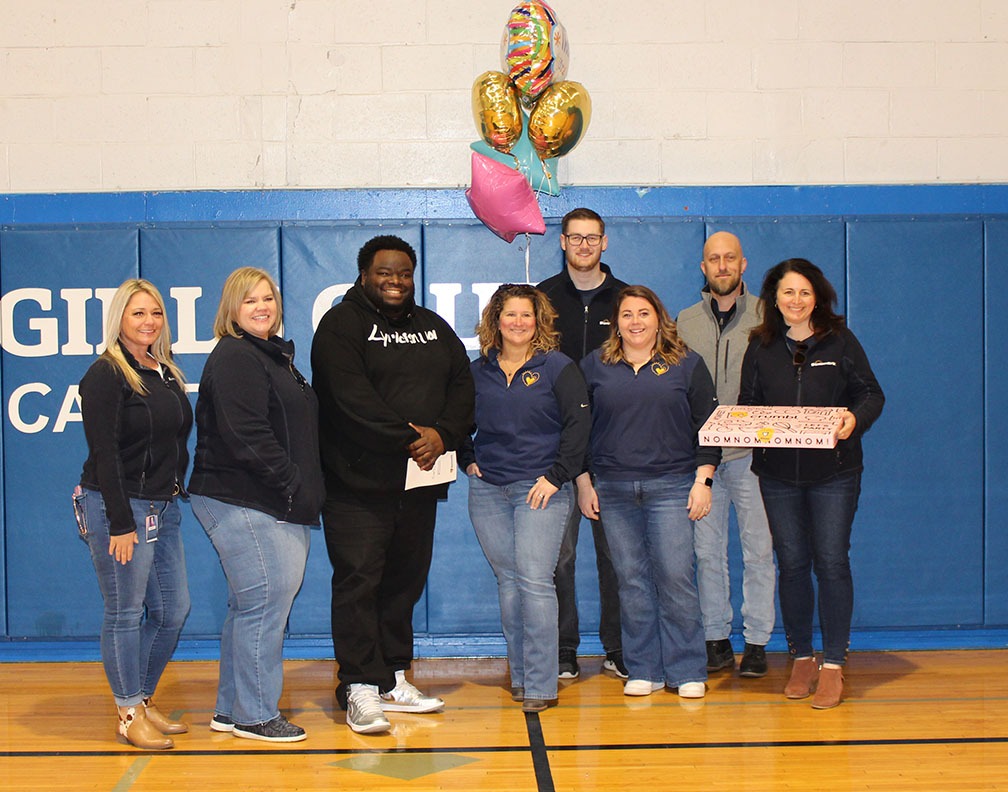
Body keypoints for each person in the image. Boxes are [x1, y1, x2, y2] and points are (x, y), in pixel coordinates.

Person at [311, 235, 475, 734]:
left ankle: (392, 677)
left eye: (404, 273)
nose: (395, 281)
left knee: (403, 580)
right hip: (355, 484)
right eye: (385, 272)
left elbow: (463, 386)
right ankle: (359, 685)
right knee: (360, 579)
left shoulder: (433, 328)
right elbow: (349, 400)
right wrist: (413, 438)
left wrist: (443, 434)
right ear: (364, 274)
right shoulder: (341, 326)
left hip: (419, 482)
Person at [740, 258, 884, 709]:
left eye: (804, 292)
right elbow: (748, 405)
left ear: (817, 297)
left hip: (835, 474)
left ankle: (835, 664)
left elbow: (871, 395)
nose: (796, 301)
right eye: (787, 293)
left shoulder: (840, 341)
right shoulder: (760, 346)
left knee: (832, 562)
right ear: (773, 299)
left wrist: (853, 419)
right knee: (793, 564)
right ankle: (802, 656)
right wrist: (745, 425)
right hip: (778, 475)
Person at [189, 267, 324, 742]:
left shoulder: (270, 355)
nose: (262, 306)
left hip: (266, 499)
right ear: (232, 309)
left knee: (250, 606)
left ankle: (232, 709)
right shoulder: (236, 356)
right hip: (246, 498)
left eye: (268, 298)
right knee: (264, 607)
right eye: (250, 301)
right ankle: (255, 714)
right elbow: (245, 434)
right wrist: (292, 483)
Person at [576, 285, 720, 699]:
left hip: (672, 486)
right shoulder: (594, 366)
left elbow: (709, 427)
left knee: (676, 578)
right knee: (632, 581)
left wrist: (703, 480)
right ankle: (645, 668)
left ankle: (687, 669)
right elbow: (578, 431)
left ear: (659, 318)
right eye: (627, 315)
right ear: (615, 323)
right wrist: (584, 482)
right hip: (614, 489)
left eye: (644, 313)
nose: (635, 321)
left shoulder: (687, 364)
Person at [460, 284, 590, 712]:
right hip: (489, 490)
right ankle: (520, 674)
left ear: (539, 322)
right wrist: (467, 456)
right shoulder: (477, 370)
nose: (518, 322)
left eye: (526, 315)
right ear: (495, 321)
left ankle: (540, 683)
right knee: (510, 582)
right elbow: (456, 417)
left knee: (535, 581)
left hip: (541, 489)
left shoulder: (558, 367)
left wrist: (556, 476)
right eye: (510, 315)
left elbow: (579, 427)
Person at [77, 279, 192, 750]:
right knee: (125, 612)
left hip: (161, 507)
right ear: (119, 319)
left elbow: (170, 440)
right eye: (137, 313)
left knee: (172, 611)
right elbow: (103, 451)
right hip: (117, 506)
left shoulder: (162, 369)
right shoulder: (106, 373)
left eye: (156, 313)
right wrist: (120, 522)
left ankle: (140, 699)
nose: (148, 321)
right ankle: (128, 712)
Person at [676, 231, 776, 678]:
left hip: (755, 457)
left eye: (729, 258)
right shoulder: (683, 321)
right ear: (703, 267)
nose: (721, 266)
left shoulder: (766, 317)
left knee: (758, 551)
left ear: (743, 264)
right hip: (702, 460)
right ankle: (715, 637)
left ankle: (756, 642)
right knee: (707, 551)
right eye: (713, 259)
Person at [537, 207, 628, 681]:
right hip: (558, 444)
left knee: (617, 553)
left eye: (593, 237)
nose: (585, 246)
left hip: (615, 444)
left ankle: (618, 647)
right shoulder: (544, 300)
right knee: (559, 555)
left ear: (605, 242)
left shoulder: (628, 300)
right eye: (576, 238)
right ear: (563, 243)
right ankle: (563, 648)